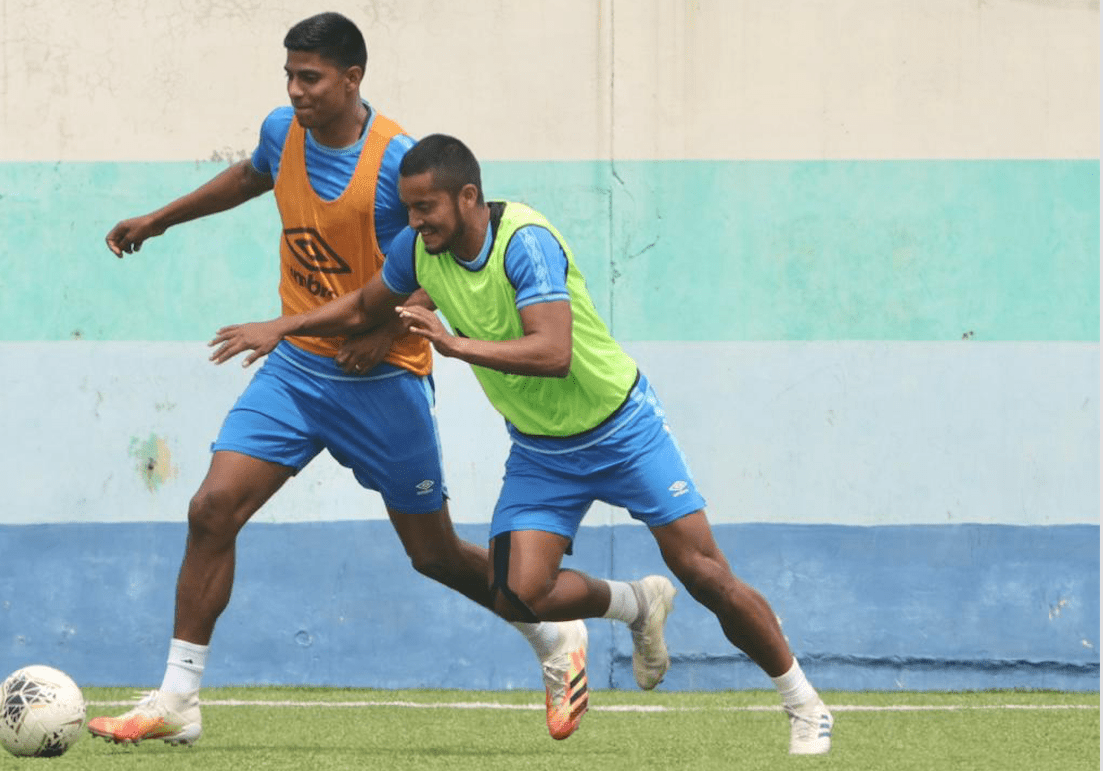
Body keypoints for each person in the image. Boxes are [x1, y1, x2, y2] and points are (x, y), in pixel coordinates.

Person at [86, 15, 668, 746]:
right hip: (297, 371)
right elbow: (249, 176)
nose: (296, 91)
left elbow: (441, 264)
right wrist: (161, 219)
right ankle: (178, 696)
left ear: (351, 78)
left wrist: (387, 330)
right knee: (212, 507)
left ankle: (562, 636)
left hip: (381, 380)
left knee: (432, 554)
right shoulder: (282, 131)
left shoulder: (399, 161)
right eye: (289, 76)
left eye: (311, 78)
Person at [210, 134, 834, 755]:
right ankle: (637, 604)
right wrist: (282, 326)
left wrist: (454, 346)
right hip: (541, 451)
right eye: (408, 208)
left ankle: (804, 704)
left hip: (623, 430)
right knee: (517, 592)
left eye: (426, 207)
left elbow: (553, 353)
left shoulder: (525, 242)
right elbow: (363, 306)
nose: (414, 221)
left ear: (468, 196)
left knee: (704, 574)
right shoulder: (417, 251)